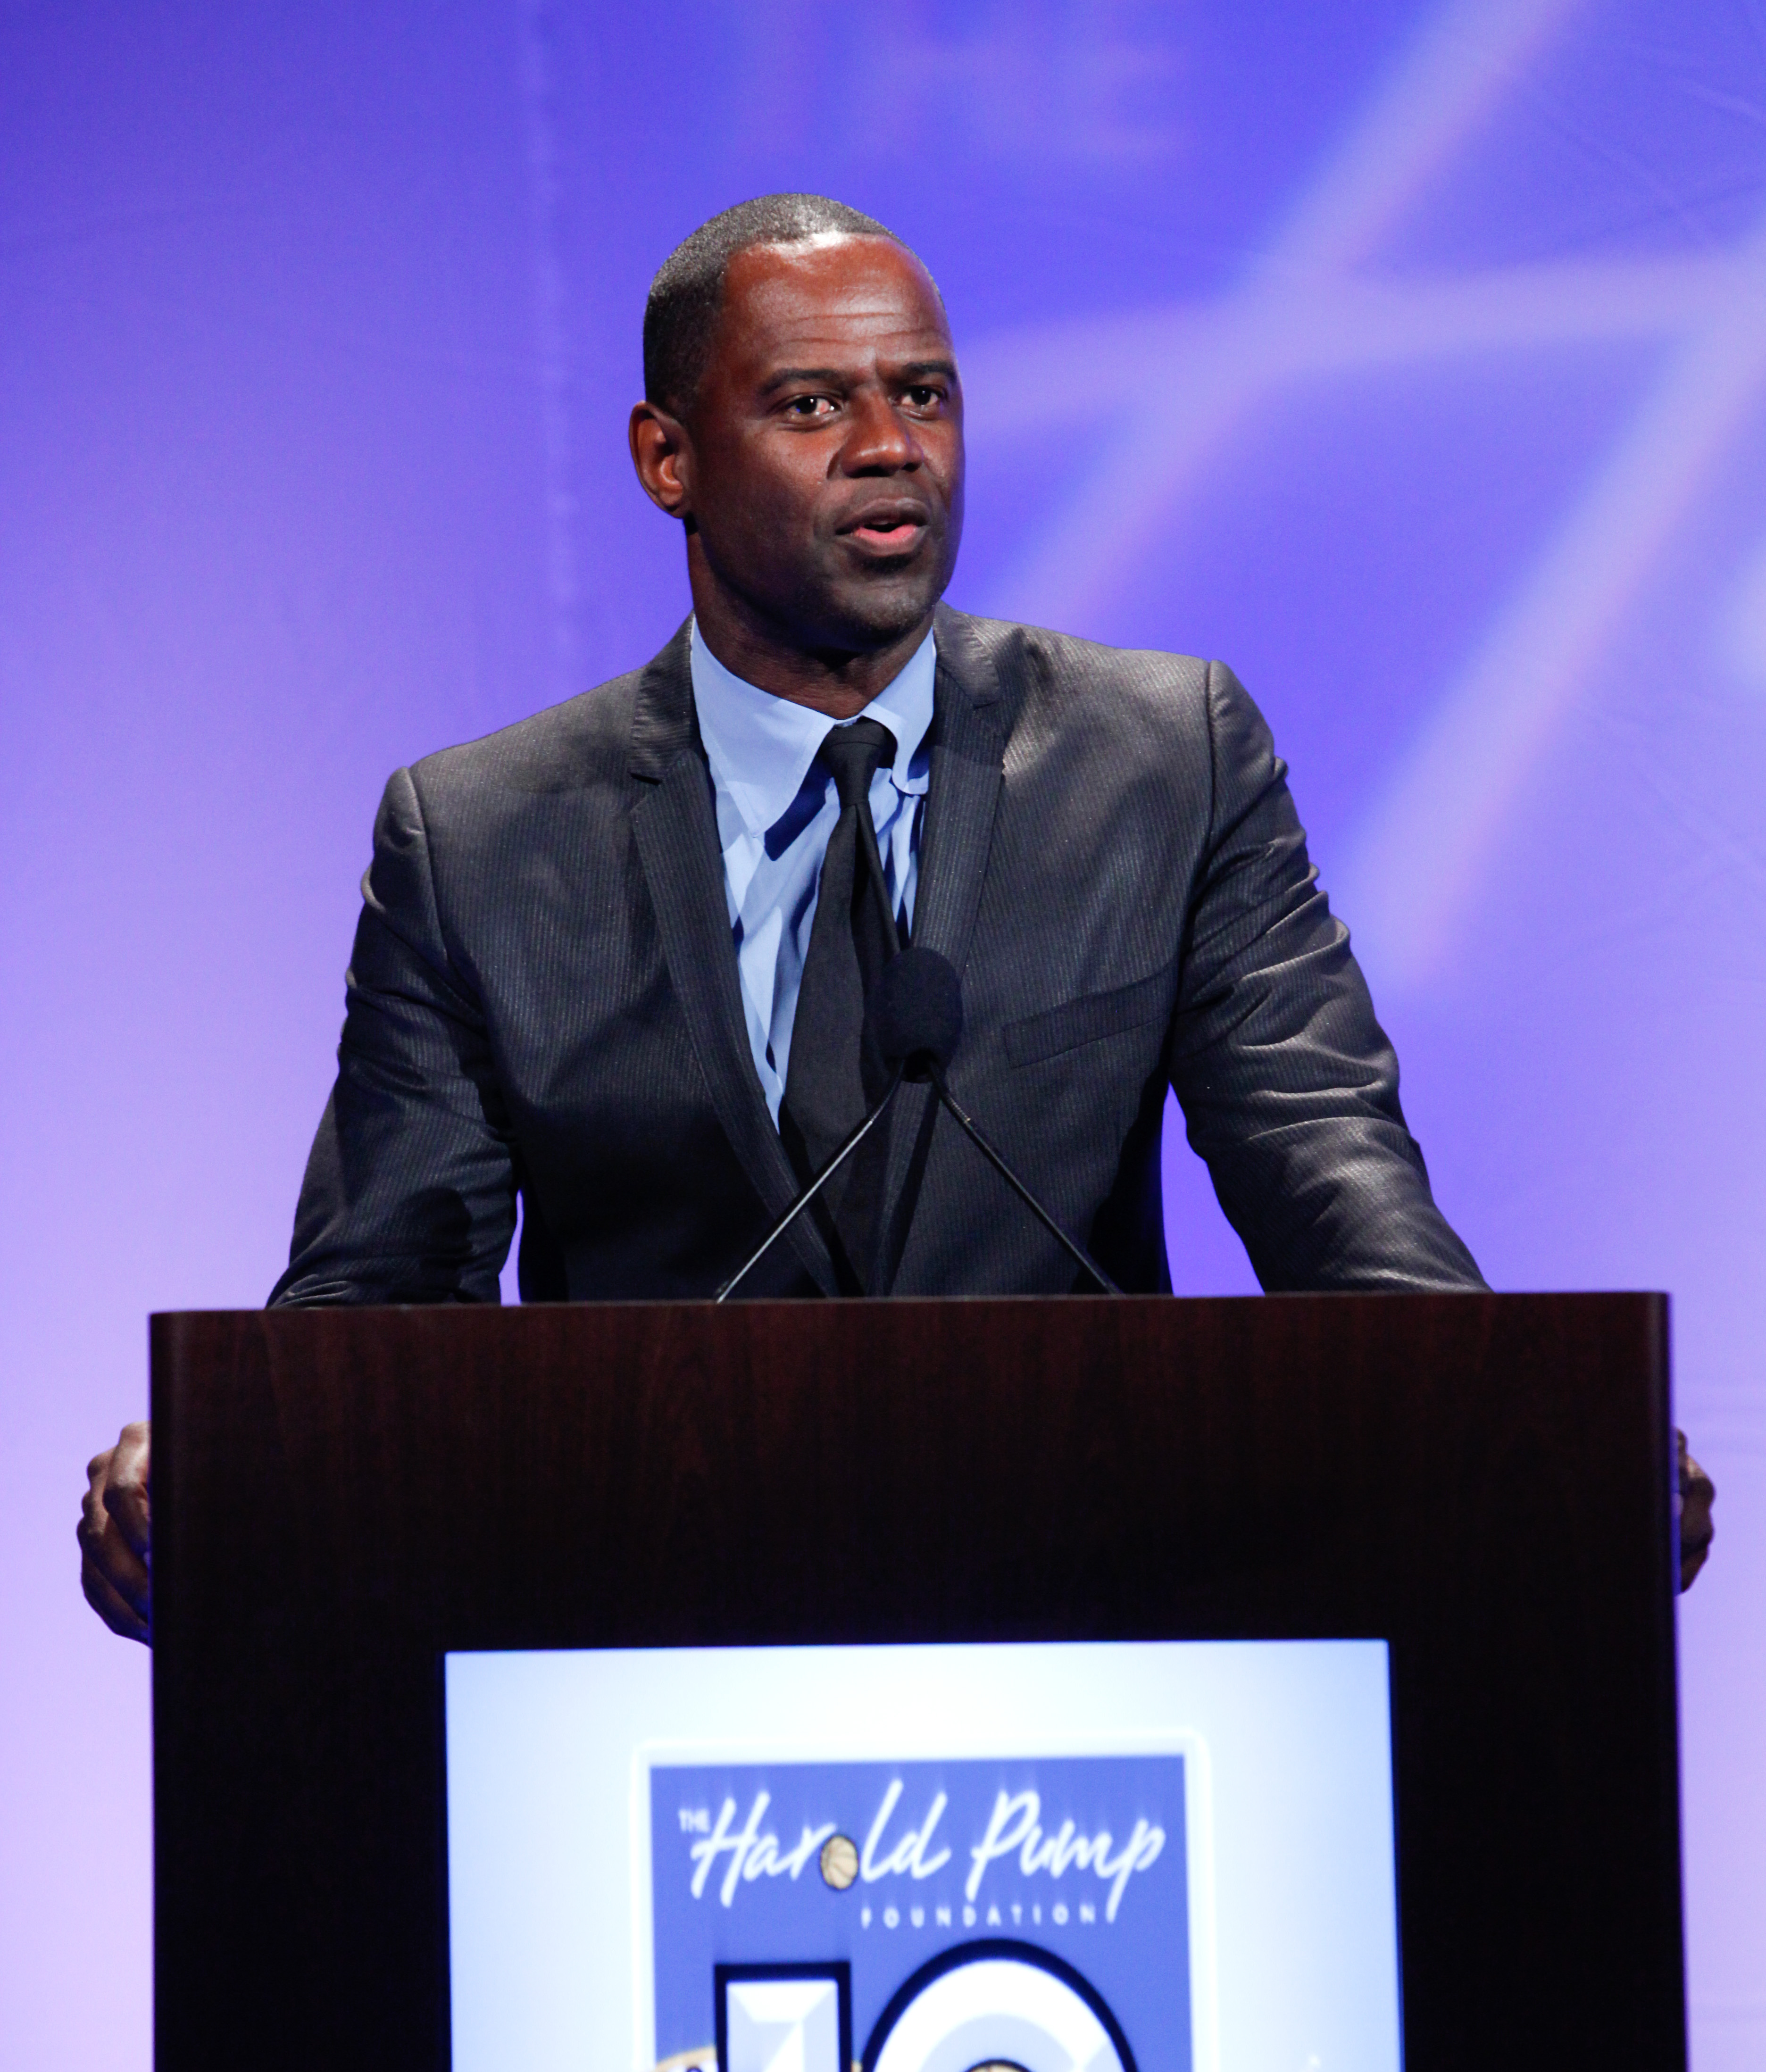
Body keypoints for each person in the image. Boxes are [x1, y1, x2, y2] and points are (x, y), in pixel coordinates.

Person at [76, 193, 1715, 1637]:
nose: (891, 449)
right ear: (668, 460)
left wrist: (1532, 1432)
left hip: (1093, 1608)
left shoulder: (1166, 759)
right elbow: (379, 1304)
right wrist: (227, 1468)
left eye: (922, 395)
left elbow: (1335, 1175)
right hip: (643, 1632)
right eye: (812, 405)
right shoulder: (485, 840)